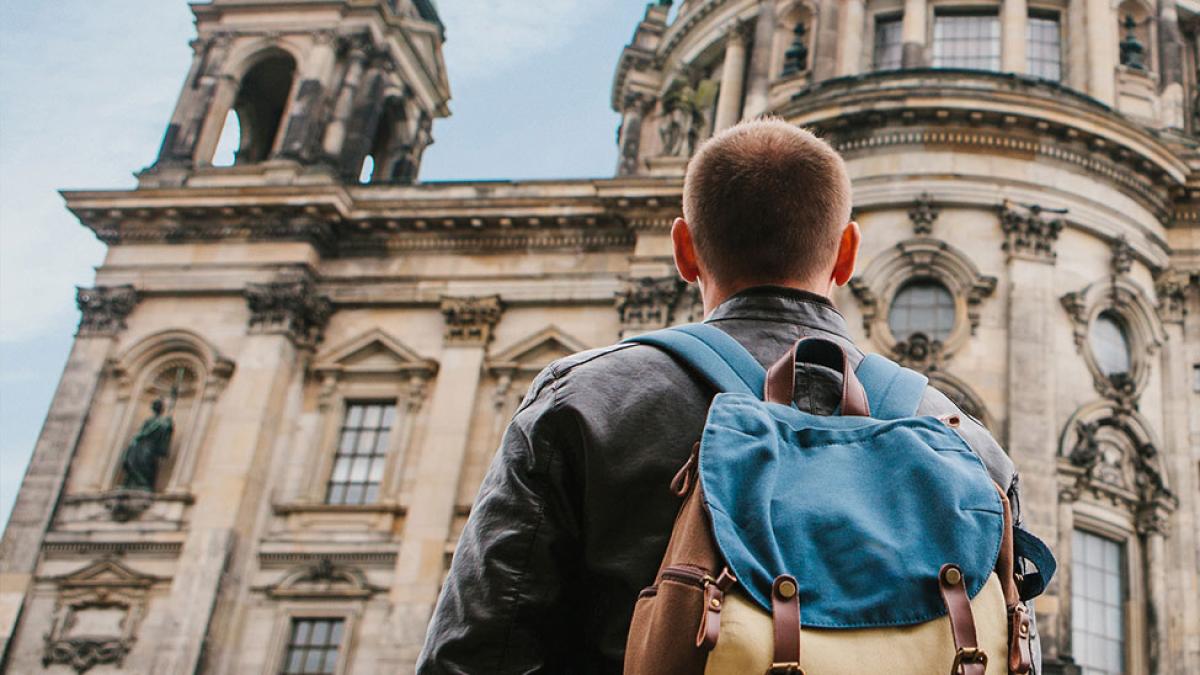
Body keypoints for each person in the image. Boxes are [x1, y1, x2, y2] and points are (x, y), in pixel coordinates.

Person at [417, 119, 1038, 673]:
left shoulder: (580, 402)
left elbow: (472, 655)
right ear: (846, 253)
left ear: (685, 250)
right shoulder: (968, 444)